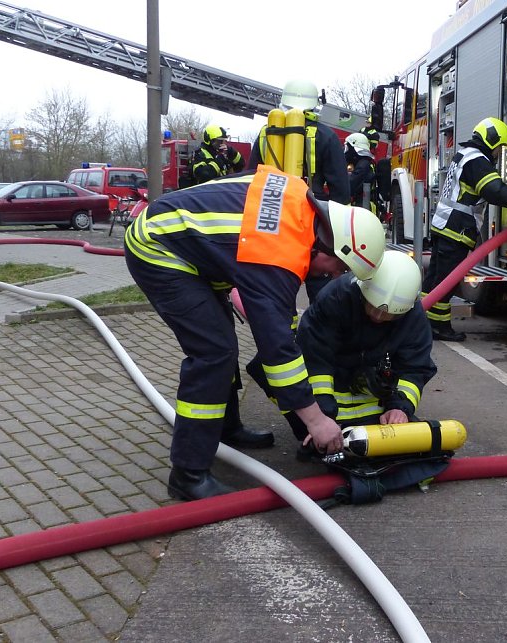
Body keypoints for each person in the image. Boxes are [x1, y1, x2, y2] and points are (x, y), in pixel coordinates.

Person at [123, 165, 386, 500]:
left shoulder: (299, 199)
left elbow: (279, 317)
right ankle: (188, 474)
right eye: (341, 268)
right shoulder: (278, 257)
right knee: (213, 353)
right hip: (158, 247)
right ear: (330, 248)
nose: (336, 277)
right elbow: (276, 351)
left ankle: (225, 429)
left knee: (222, 342)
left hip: (187, 241)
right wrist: (317, 420)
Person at [248, 250, 436, 446]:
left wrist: (400, 408)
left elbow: (415, 367)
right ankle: (305, 427)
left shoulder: (412, 314)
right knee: (268, 366)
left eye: (390, 315)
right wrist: (319, 420)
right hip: (331, 374)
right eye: (373, 307)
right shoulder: (335, 299)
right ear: (363, 289)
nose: (379, 317)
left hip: (364, 378)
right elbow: (316, 361)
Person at [247, 79, 350, 302]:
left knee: (279, 275)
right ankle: (318, 328)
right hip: (311, 216)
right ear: (315, 105)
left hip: (272, 213)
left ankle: (284, 329)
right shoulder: (326, 136)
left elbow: (250, 179)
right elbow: (340, 189)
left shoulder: (267, 134)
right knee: (318, 277)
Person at [422, 117, 507, 341]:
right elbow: (495, 191)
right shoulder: (478, 161)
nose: (498, 154)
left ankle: (426, 321)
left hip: (444, 225)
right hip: (456, 229)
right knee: (447, 280)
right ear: (493, 140)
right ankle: (438, 326)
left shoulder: (465, 154)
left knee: (436, 277)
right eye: (500, 147)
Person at [343, 132, 379, 215]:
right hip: (359, 207)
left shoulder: (363, 165)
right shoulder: (361, 163)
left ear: (355, 148)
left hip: (362, 210)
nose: (346, 150)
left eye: (348, 147)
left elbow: (350, 185)